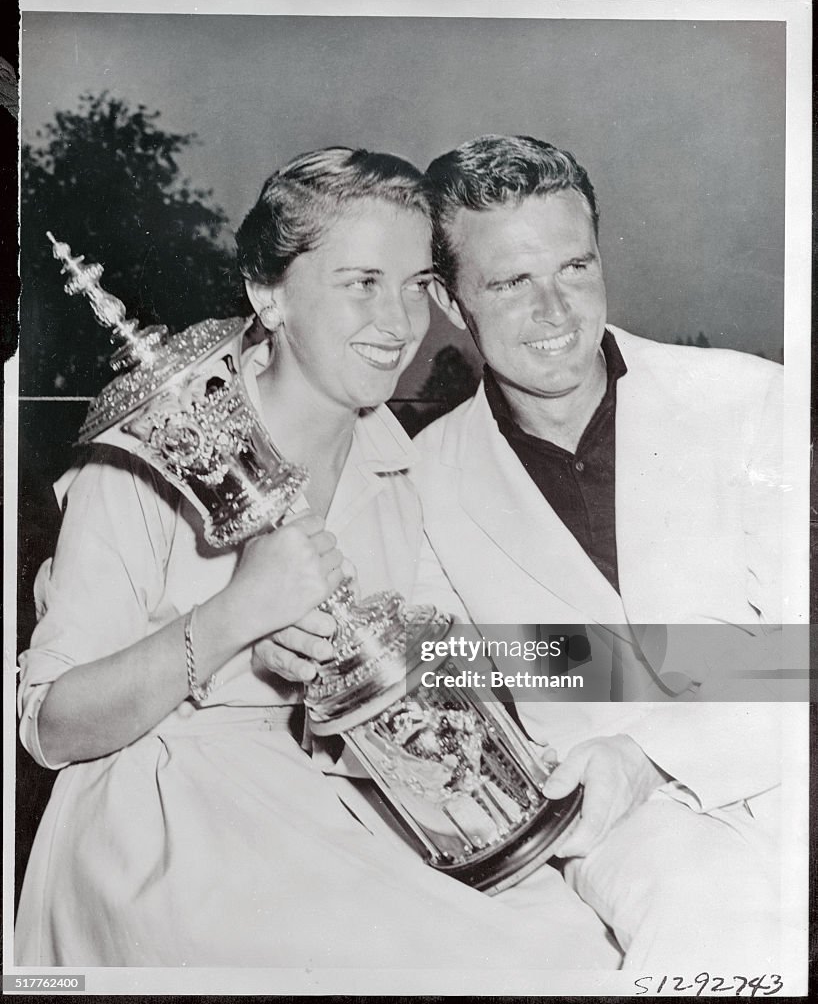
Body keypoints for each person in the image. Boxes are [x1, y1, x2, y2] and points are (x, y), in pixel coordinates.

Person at [15, 146, 619, 969]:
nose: (401, 325)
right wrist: (234, 616)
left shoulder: (402, 463)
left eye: (413, 286)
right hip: (165, 838)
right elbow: (50, 727)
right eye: (361, 282)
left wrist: (730, 676)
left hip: (338, 802)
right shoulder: (147, 456)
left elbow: (468, 657)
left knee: (573, 944)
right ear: (269, 295)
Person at [411, 134, 803, 970]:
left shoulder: (749, 397)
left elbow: (800, 653)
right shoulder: (421, 478)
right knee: (716, 923)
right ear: (451, 302)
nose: (554, 314)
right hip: (625, 831)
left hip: (791, 770)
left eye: (575, 269)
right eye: (511, 282)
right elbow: (452, 677)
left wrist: (628, 732)